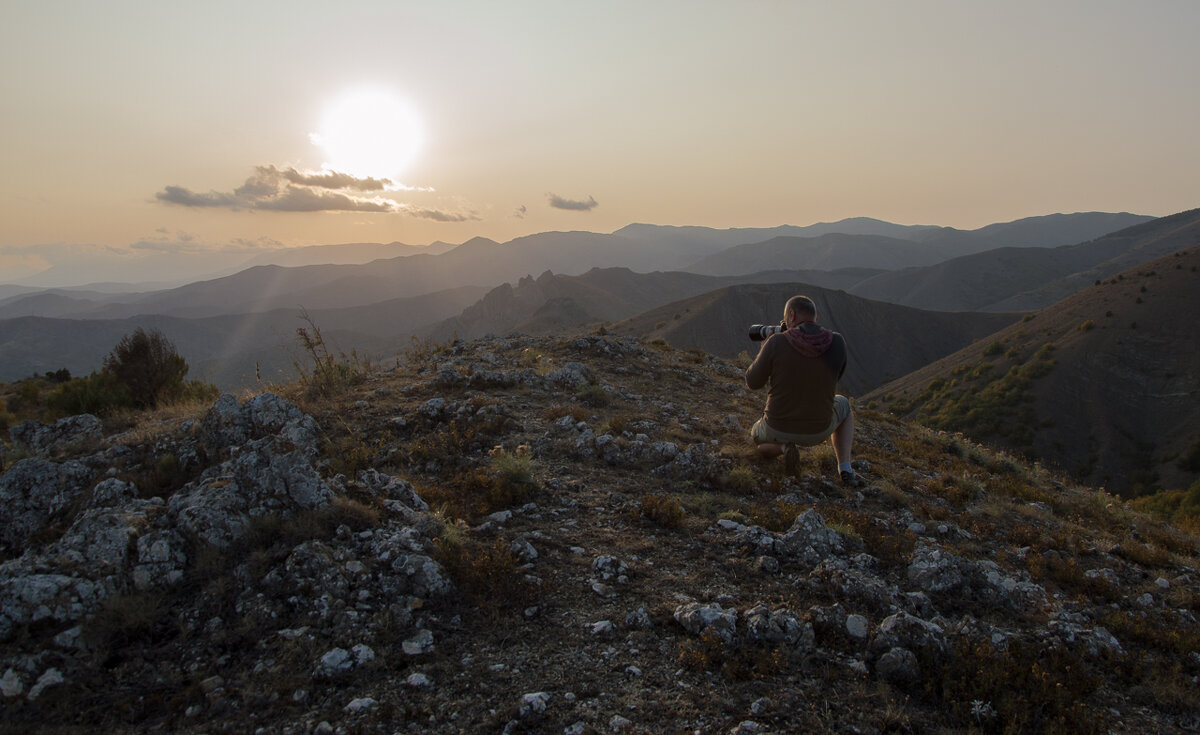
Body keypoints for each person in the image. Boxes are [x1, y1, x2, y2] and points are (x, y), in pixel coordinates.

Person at [745, 295, 859, 486]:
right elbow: (833, 381)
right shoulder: (837, 342)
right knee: (844, 405)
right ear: (814, 317)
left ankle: (783, 448)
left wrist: (766, 346)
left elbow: (752, 382)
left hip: (776, 426)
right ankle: (845, 469)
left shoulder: (776, 343)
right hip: (819, 429)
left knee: (755, 436)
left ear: (790, 314)